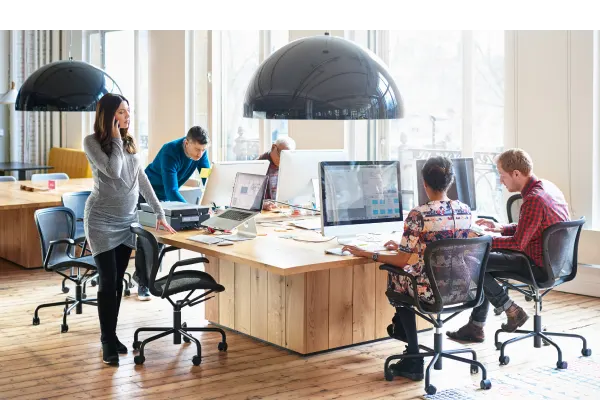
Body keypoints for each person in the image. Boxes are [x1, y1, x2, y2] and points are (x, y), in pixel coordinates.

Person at [341, 156, 473, 381]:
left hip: (429, 289)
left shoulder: (419, 214)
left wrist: (365, 253)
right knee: (407, 277)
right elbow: (441, 245)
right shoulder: (464, 210)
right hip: (461, 285)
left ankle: (412, 356)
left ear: (424, 183)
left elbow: (402, 261)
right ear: (450, 182)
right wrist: (405, 246)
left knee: (397, 279)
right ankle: (402, 333)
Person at [83, 93, 176, 365]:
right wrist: (114, 137)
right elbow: (113, 170)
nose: (127, 117)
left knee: (118, 280)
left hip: (126, 222)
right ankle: (106, 341)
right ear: (109, 115)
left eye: (128, 112)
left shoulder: (129, 143)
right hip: (100, 220)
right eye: (121, 112)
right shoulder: (92, 142)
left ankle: (112, 335)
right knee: (108, 280)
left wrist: (159, 212)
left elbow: (142, 179)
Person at [446, 148, 570, 343]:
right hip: (555, 263)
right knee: (482, 262)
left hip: (536, 265)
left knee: (472, 261)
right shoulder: (547, 188)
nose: (501, 181)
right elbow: (533, 228)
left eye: (502, 176)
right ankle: (476, 326)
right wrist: (499, 228)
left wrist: (481, 240)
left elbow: (518, 244)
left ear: (516, 174)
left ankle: (511, 311)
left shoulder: (534, 200)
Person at [133, 126, 210, 300]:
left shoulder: (201, 153)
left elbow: (208, 178)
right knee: (149, 239)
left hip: (166, 197)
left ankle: (142, 277)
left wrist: (214, 200)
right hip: (148, 194)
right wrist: (194, 211)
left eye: (203, 150)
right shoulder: (170, 151)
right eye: (197, 149)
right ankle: (143, 282)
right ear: (186, 143)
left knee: (159, 242)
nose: (200, 154)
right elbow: (171, 191)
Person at [257, 136, 296, 210]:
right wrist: (262, 204)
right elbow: (246, 198)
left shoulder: (288, 166)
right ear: (273, 147)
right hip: (263, 212)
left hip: (280, 210)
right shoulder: (259, 165)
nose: (283, 160)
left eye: (287, 157)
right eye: (281, 154)